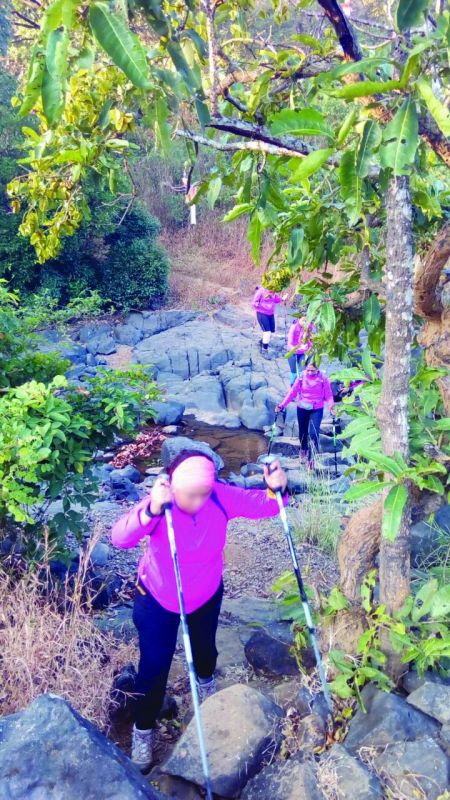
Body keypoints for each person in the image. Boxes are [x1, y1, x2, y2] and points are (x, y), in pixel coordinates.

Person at [111, 450, 288, 772]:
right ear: (172, 486)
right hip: (157, 595)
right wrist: (151, 509)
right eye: (189, 495)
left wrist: (277, 488)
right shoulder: (160, 503)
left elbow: (268, 505)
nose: (196, 502)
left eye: (203, 495)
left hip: (205, 593)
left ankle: (207, 698)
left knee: (206, 651)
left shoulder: (220, 497)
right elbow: (119, 538)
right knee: (154, 667)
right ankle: (143, 731)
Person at [275, 359, 336, 468]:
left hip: (316, 409)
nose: (309, 373)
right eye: (308, 370)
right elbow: (292, 392)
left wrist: (331, 406)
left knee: (313, 433)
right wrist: (282, 405)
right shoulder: (301, 377)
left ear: (317, 369)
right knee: (302, 433)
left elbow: (329, 395)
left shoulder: (323, 378)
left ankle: (311, 460)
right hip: (302, 408)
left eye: (312, 370)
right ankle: (303, 450)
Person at [252, 285, 287, 357]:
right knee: (267, 332)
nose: (273, 290)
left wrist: (283, 299)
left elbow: (276, 300)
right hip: (262, 313)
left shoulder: (273, 292)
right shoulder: (261, 291)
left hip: (270, 314)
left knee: (271, 331)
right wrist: (263, 306)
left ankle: (262, 342)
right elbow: (254, 303)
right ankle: (264, 351)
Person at [286, 315, 313, 385]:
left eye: (306, 321)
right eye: (303, 320)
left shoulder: (309, 327)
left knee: (302, 372)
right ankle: (291, 386)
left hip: (302, 353)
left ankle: (300, 387)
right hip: (292, 353)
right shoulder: (294, 327)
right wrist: (297, 349)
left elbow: (310, 339)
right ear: (299, 319)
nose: (304, 322)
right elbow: (289, 343)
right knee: (293, 372)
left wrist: (309, 347)